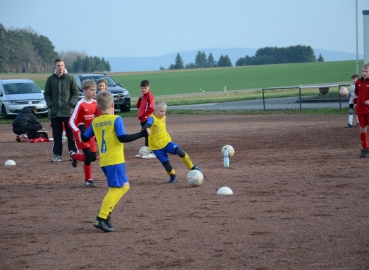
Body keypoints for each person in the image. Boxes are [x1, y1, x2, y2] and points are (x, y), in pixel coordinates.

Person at [78, 91, 150, 232]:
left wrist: (81, 127)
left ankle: (107, 213)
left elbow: (85, 138)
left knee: (125, 186)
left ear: (97, 107)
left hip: (105, 161)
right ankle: (102, 218)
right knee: (116, 188)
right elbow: (122, 138)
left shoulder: (95, 121)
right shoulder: (116, 119)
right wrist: (141, 134)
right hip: (115, 160)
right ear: (112, 105)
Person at [142, 100, 202, 183]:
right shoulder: (152, 118)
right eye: (161, 111)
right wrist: (146, 128)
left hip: (167, 142)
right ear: (155, 111)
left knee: (181, 153)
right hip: (156, 147)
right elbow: (148, 123)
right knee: (167, 165)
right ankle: (172, 175)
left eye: (164, 111)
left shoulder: (163, 117)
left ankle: (192, 167)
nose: (163, 113)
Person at [44, 58, 79, 162]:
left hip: (67, 112)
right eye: (58, 65)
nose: (60, 67)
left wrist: (70, 104)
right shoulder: (50, 79)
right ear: (55, 66)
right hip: (55, 113)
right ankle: (57, 155)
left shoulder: (70, 78)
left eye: (62, 65)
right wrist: (50, 105)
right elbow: (47, 94)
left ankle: (73, 153)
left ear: (64, 66)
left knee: (70, 134)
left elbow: (75, 93)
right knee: (57, 135)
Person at [69, 80, 101, 187]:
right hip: (81, 135)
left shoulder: (95, 103)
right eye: (91, 90)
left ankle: (73, 155)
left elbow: (98, 118)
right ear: (85, 91)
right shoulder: (80, 104)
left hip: (90, 135)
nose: (93, 92)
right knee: (87, 156)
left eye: (94, 90)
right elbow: (71, 121)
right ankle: (88, 180)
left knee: (92, 157)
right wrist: (77, 132)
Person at [353, 63, 369, 158]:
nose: (364, 73)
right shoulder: (358, 82)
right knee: (362, 129)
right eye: (363, 71)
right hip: (360, 110)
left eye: (366, 71)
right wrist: (355, 102)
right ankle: (365, 148)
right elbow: (356, 94)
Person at [136, 79, 155, 157]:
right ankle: (146, 151)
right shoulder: (143, 96)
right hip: (142, 119)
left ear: (148, 87)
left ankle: (151, 152)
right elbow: (138, 106)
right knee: (146, 135)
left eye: (145, 88)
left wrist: (144, 114)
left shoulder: (149, 96)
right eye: (142, 88)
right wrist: (140, 99)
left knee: (148, 135)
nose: (143, 89)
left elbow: (151, 108)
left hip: (147, 119)